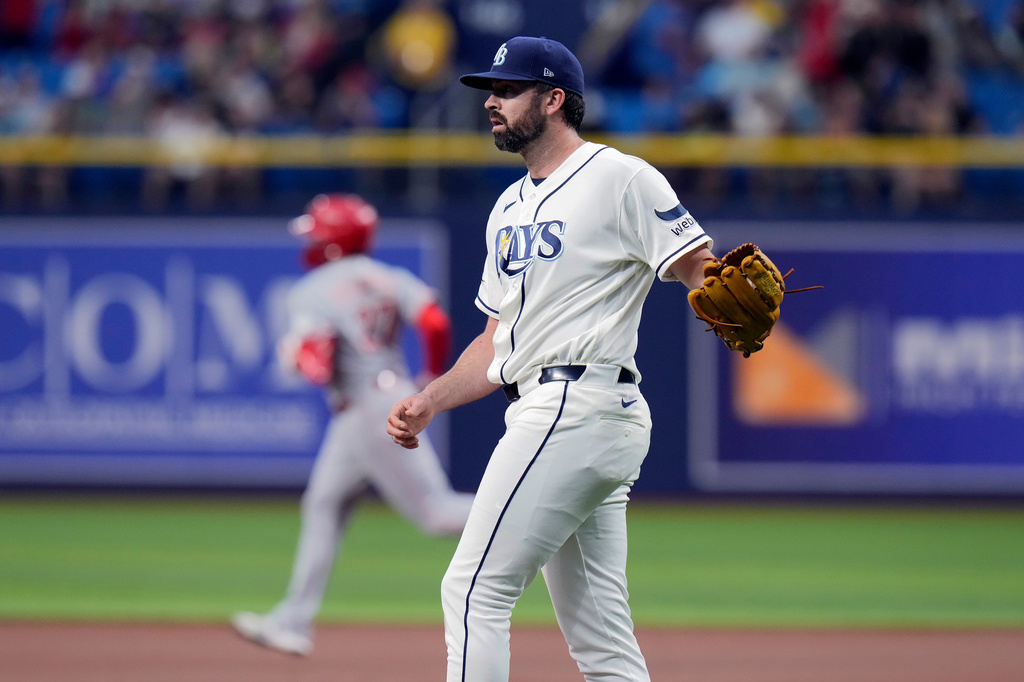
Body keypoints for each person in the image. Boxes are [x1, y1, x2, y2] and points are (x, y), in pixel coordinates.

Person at [387, 36, 718, 682]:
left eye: (508, 90)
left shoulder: (619, 176)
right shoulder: (507, 207)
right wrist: (429, 400)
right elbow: (495, 341)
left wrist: (711, 282)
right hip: (565, 411)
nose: (493, 102)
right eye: (492, 91)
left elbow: (696, 266)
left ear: (555, 99)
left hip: (578, 405)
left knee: (473, 590)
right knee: (601, 640)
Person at [232, 193, 475, 657]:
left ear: (332, 240)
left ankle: (536, 513)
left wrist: (293, 357)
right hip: (386, 393)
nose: (311, 240)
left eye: (317, 232)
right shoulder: (388, 277)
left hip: (367, 406)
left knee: (435, 512)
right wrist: (428, 376)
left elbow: (317, 366)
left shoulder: (312, 289)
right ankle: (293, 621)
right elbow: (435, 321)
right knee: (323, 503)